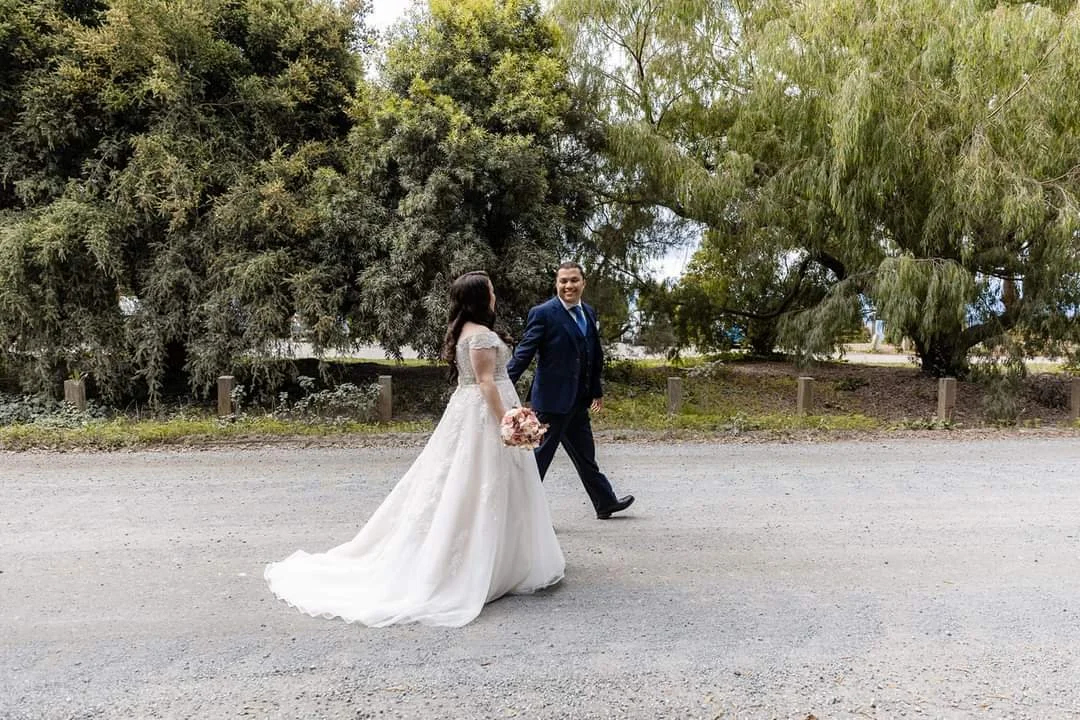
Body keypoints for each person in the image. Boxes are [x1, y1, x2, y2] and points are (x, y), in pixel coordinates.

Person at [265, 271, 564, 627]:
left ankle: (502, 557)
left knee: (473, 481)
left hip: (467, 411)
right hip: (485, 412)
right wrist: (509, 419)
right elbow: (486, 382)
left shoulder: (465, 330)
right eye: (491, 291)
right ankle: (489, 562)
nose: (495, 295)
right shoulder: (481, 335)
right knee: (484, 481)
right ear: (480, 299)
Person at [507, 262, 635, 520]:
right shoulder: (542, 313)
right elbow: (524, 353)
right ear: (556, 284)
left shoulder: (588, 311)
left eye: (574, 280)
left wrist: (596, 390)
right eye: (563, 281)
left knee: (586, 456)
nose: (568, 285)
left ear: (583, 283)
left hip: (579, 400)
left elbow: (593, 354)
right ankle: (524, 519)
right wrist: (505, 384)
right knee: (539, 461)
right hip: (551, 402)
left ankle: (605, 502)